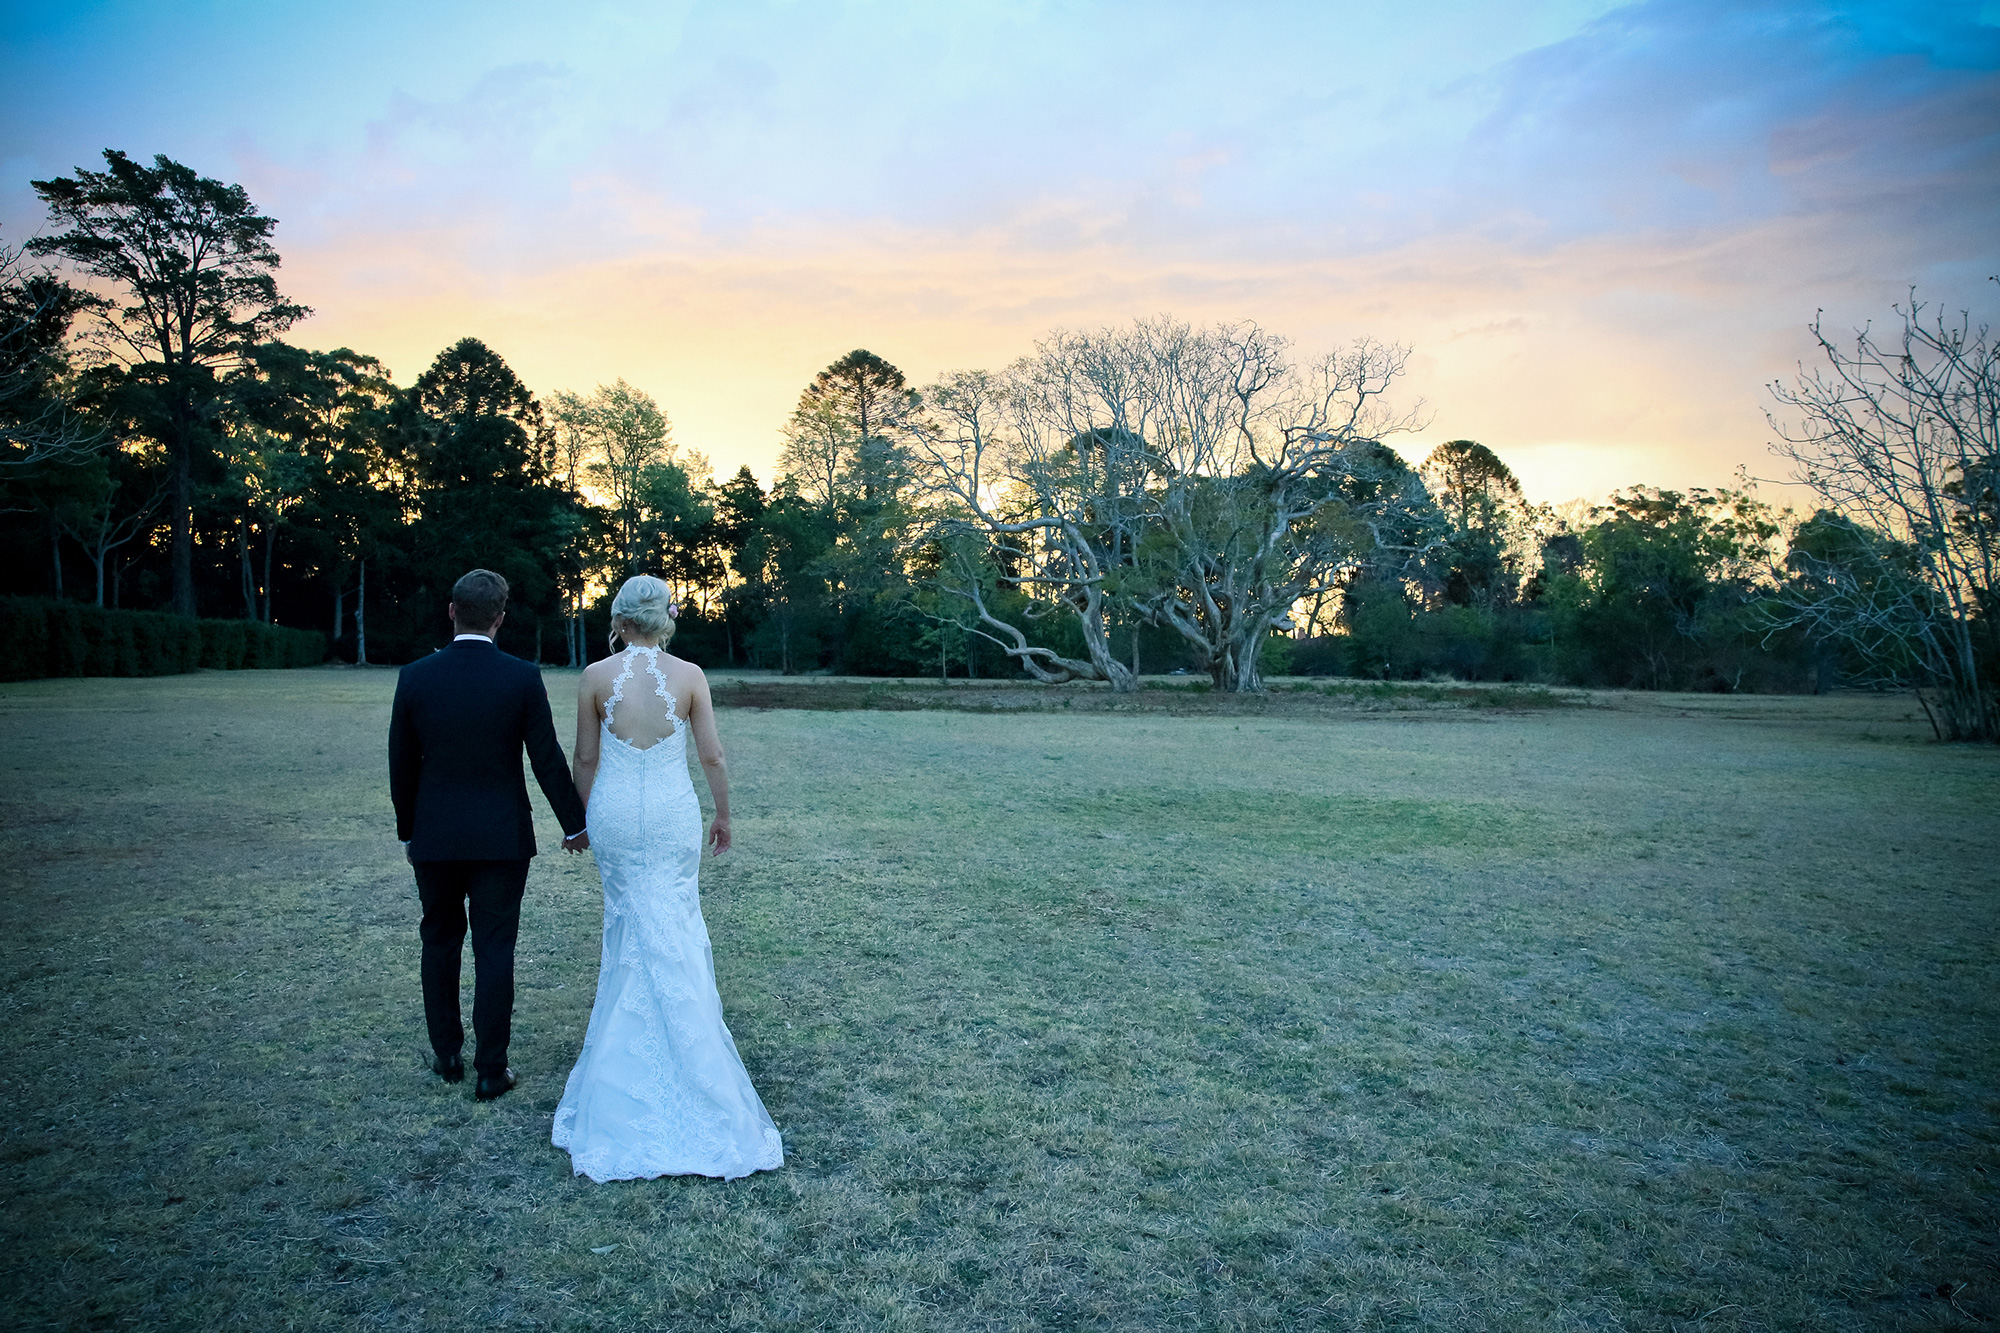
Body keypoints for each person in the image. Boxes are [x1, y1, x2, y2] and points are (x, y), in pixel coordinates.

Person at [552, 574, 783, 1181]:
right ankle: (688, 1049)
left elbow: (585, 757)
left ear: (621, 618)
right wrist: (724, 813)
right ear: (664, 619)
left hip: (617, 815)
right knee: (674, 920)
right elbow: (712, 755)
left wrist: (578, 822)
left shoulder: (594, 678)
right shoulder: (690, 676)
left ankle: (625, 1066)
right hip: (674, 815)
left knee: (629, 922)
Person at [388, 568, 590, 1102]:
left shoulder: (415, 676)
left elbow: (401, 765)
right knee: (495, 948)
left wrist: (410, 831)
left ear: (452, 611)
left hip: (434, 836)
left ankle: (447, 1053)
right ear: (500, 619)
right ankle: (490, 1069)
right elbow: (545, 758)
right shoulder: (521, 676)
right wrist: (576, 824)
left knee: (440, 938)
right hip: (501, 838)